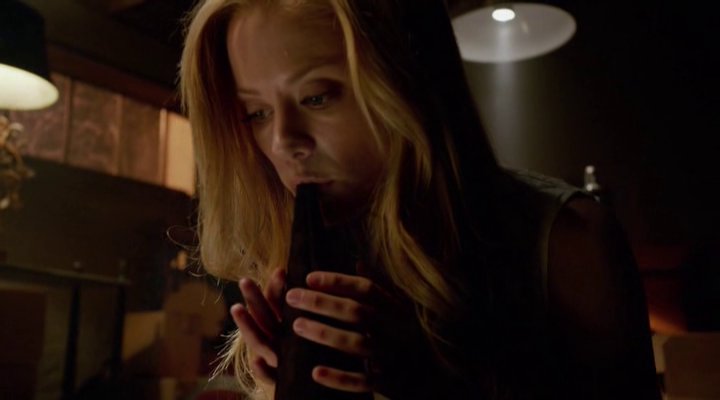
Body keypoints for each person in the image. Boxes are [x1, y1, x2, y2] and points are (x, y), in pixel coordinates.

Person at [179, 0, 661, 399]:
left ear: (406, 82)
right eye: (257, 113)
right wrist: (283, 384)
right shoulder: (302, 253)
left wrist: (439, 384)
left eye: (318, 97)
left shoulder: (568, 245)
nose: (283, 141)